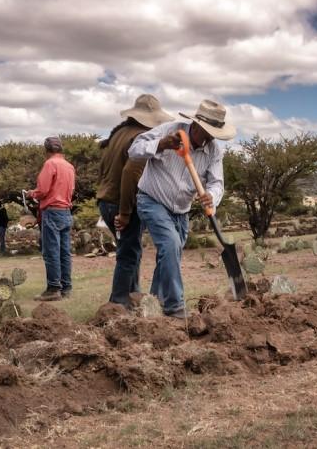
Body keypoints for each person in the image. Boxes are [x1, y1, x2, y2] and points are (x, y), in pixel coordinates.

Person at [128, 99, 235, 318]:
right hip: (152, 200)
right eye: (205, 132)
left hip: (181, 211)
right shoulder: (169, 130)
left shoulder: (213, 151)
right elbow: (134, 150)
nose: (208, 138)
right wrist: (161, 144)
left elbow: (217, 183)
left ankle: (154, 305)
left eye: (212, 133)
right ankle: (175, 306)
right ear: (195, 125)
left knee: (169, 255)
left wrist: (211, 197)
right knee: (171, 244)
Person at [96, 94, 174, 308]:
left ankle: (132, 295)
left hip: (106, 200)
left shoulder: (118, 133)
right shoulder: (140, 137)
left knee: (130, 249)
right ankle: (119, 300)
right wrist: (125, 212)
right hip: (122, 202)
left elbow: (104, 171)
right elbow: (131, 174)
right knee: (129, 253)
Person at [29, 136, 76, 301]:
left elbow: (42, 190)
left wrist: (32, 193)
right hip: (66, 211)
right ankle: (66, 287)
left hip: (52, 211)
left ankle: (54, 288)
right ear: (60, 149)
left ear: (46, 150)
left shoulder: (50, 164)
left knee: (51, 252)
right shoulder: (69, 166)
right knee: (64, 252)